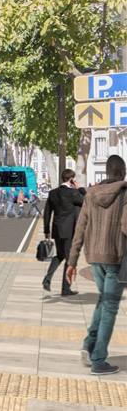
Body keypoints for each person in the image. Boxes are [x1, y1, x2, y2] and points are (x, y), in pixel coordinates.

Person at [66, 155, 127, 376]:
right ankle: (99, 360)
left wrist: (71, 262)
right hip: (115, 259)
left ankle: (89, 344)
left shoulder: (90, 194)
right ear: (123, 173)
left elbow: (80, 228)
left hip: (94, 259)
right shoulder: (124, 194)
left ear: (107, 172)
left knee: (103, 301)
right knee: (110, 307)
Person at [42, 169, 84, 295]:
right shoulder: (73, 193)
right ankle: (65, 289)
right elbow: (86, 199)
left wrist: (46, 230)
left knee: (60, 255)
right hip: (69, 231)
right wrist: (79, 188)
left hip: (57, 229)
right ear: (71, 179)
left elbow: (47, 213)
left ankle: (47, 278)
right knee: (70, 259)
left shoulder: (53, 193)